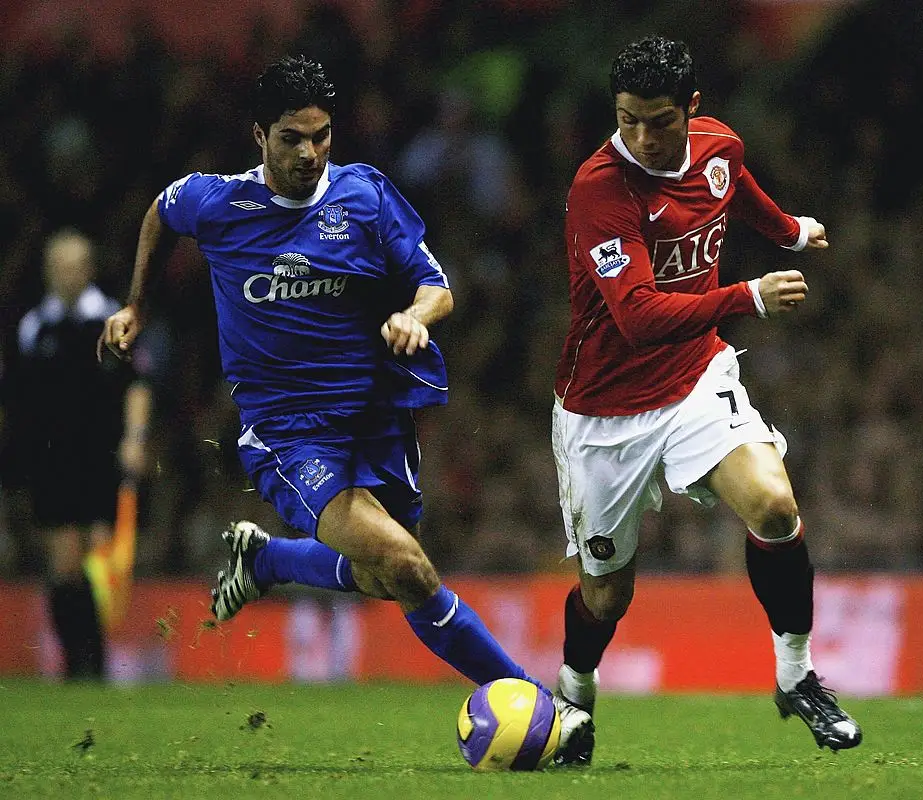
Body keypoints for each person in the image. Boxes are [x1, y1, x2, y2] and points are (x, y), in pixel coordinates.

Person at [97, 55, 590, 754]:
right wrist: (135, 306)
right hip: (287, 433)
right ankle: (546, 711)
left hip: (374, 420)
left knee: (383, 577)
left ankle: (266, 562)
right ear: (259, 135)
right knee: (410, 566)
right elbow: (159, 211)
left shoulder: (364, 197)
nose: (309, 152)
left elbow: (436, 284)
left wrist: (418, 316)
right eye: (292, 138)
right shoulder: (217, 201)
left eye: (322, 136)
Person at [549, 35, 863, 765]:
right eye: (627, 120)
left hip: (693, 378)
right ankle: (573, 692)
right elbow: (636, 314)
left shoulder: (720, 145)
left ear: (691, 109)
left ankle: (796, 676)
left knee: (776, 507)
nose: (641, 137)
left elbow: (734, 186)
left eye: (658, 121)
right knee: (606, 598)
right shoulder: (601, 189)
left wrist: (788, 231)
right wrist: (747, 294)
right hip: (604, 413)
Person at [2, 228, 150, 679]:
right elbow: (16, 398)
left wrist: (135, 438)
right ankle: (83, 662)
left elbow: (137, 385)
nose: (66, 275)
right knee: (63, 561)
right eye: (58, 267)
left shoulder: (108, 320)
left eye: (74, 266)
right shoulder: (34, 326)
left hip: (99, 453)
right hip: (50, 458)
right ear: (48, 272)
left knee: (94, 558)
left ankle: (89, 660)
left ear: (88, 269)